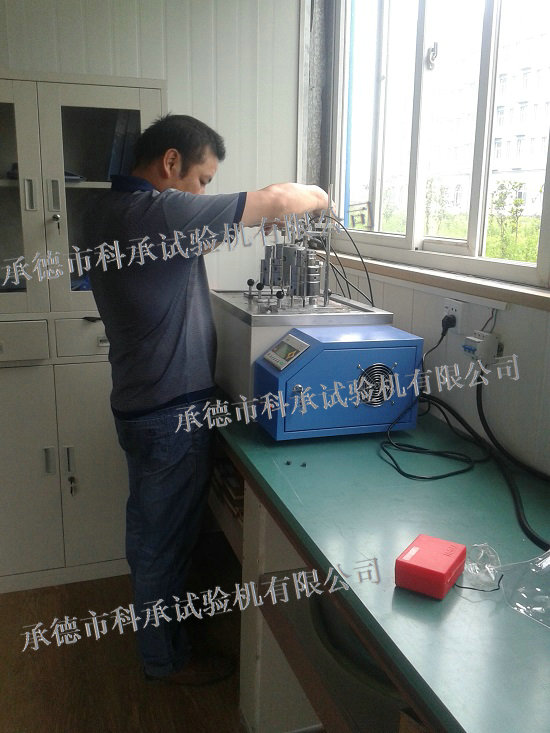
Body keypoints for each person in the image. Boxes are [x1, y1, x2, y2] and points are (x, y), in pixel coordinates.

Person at [87, 113, 328, 685]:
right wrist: (321, 197)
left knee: (153, 534)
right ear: (170, 163)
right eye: (201, 180)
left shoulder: (113, 211)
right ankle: (165, 663)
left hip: (147, 402)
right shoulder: (156, 214)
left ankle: (163, 646)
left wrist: (255, 216)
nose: (202, 194)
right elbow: (275, 200)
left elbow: (238, 219)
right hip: (168, 413)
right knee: (162, 544)